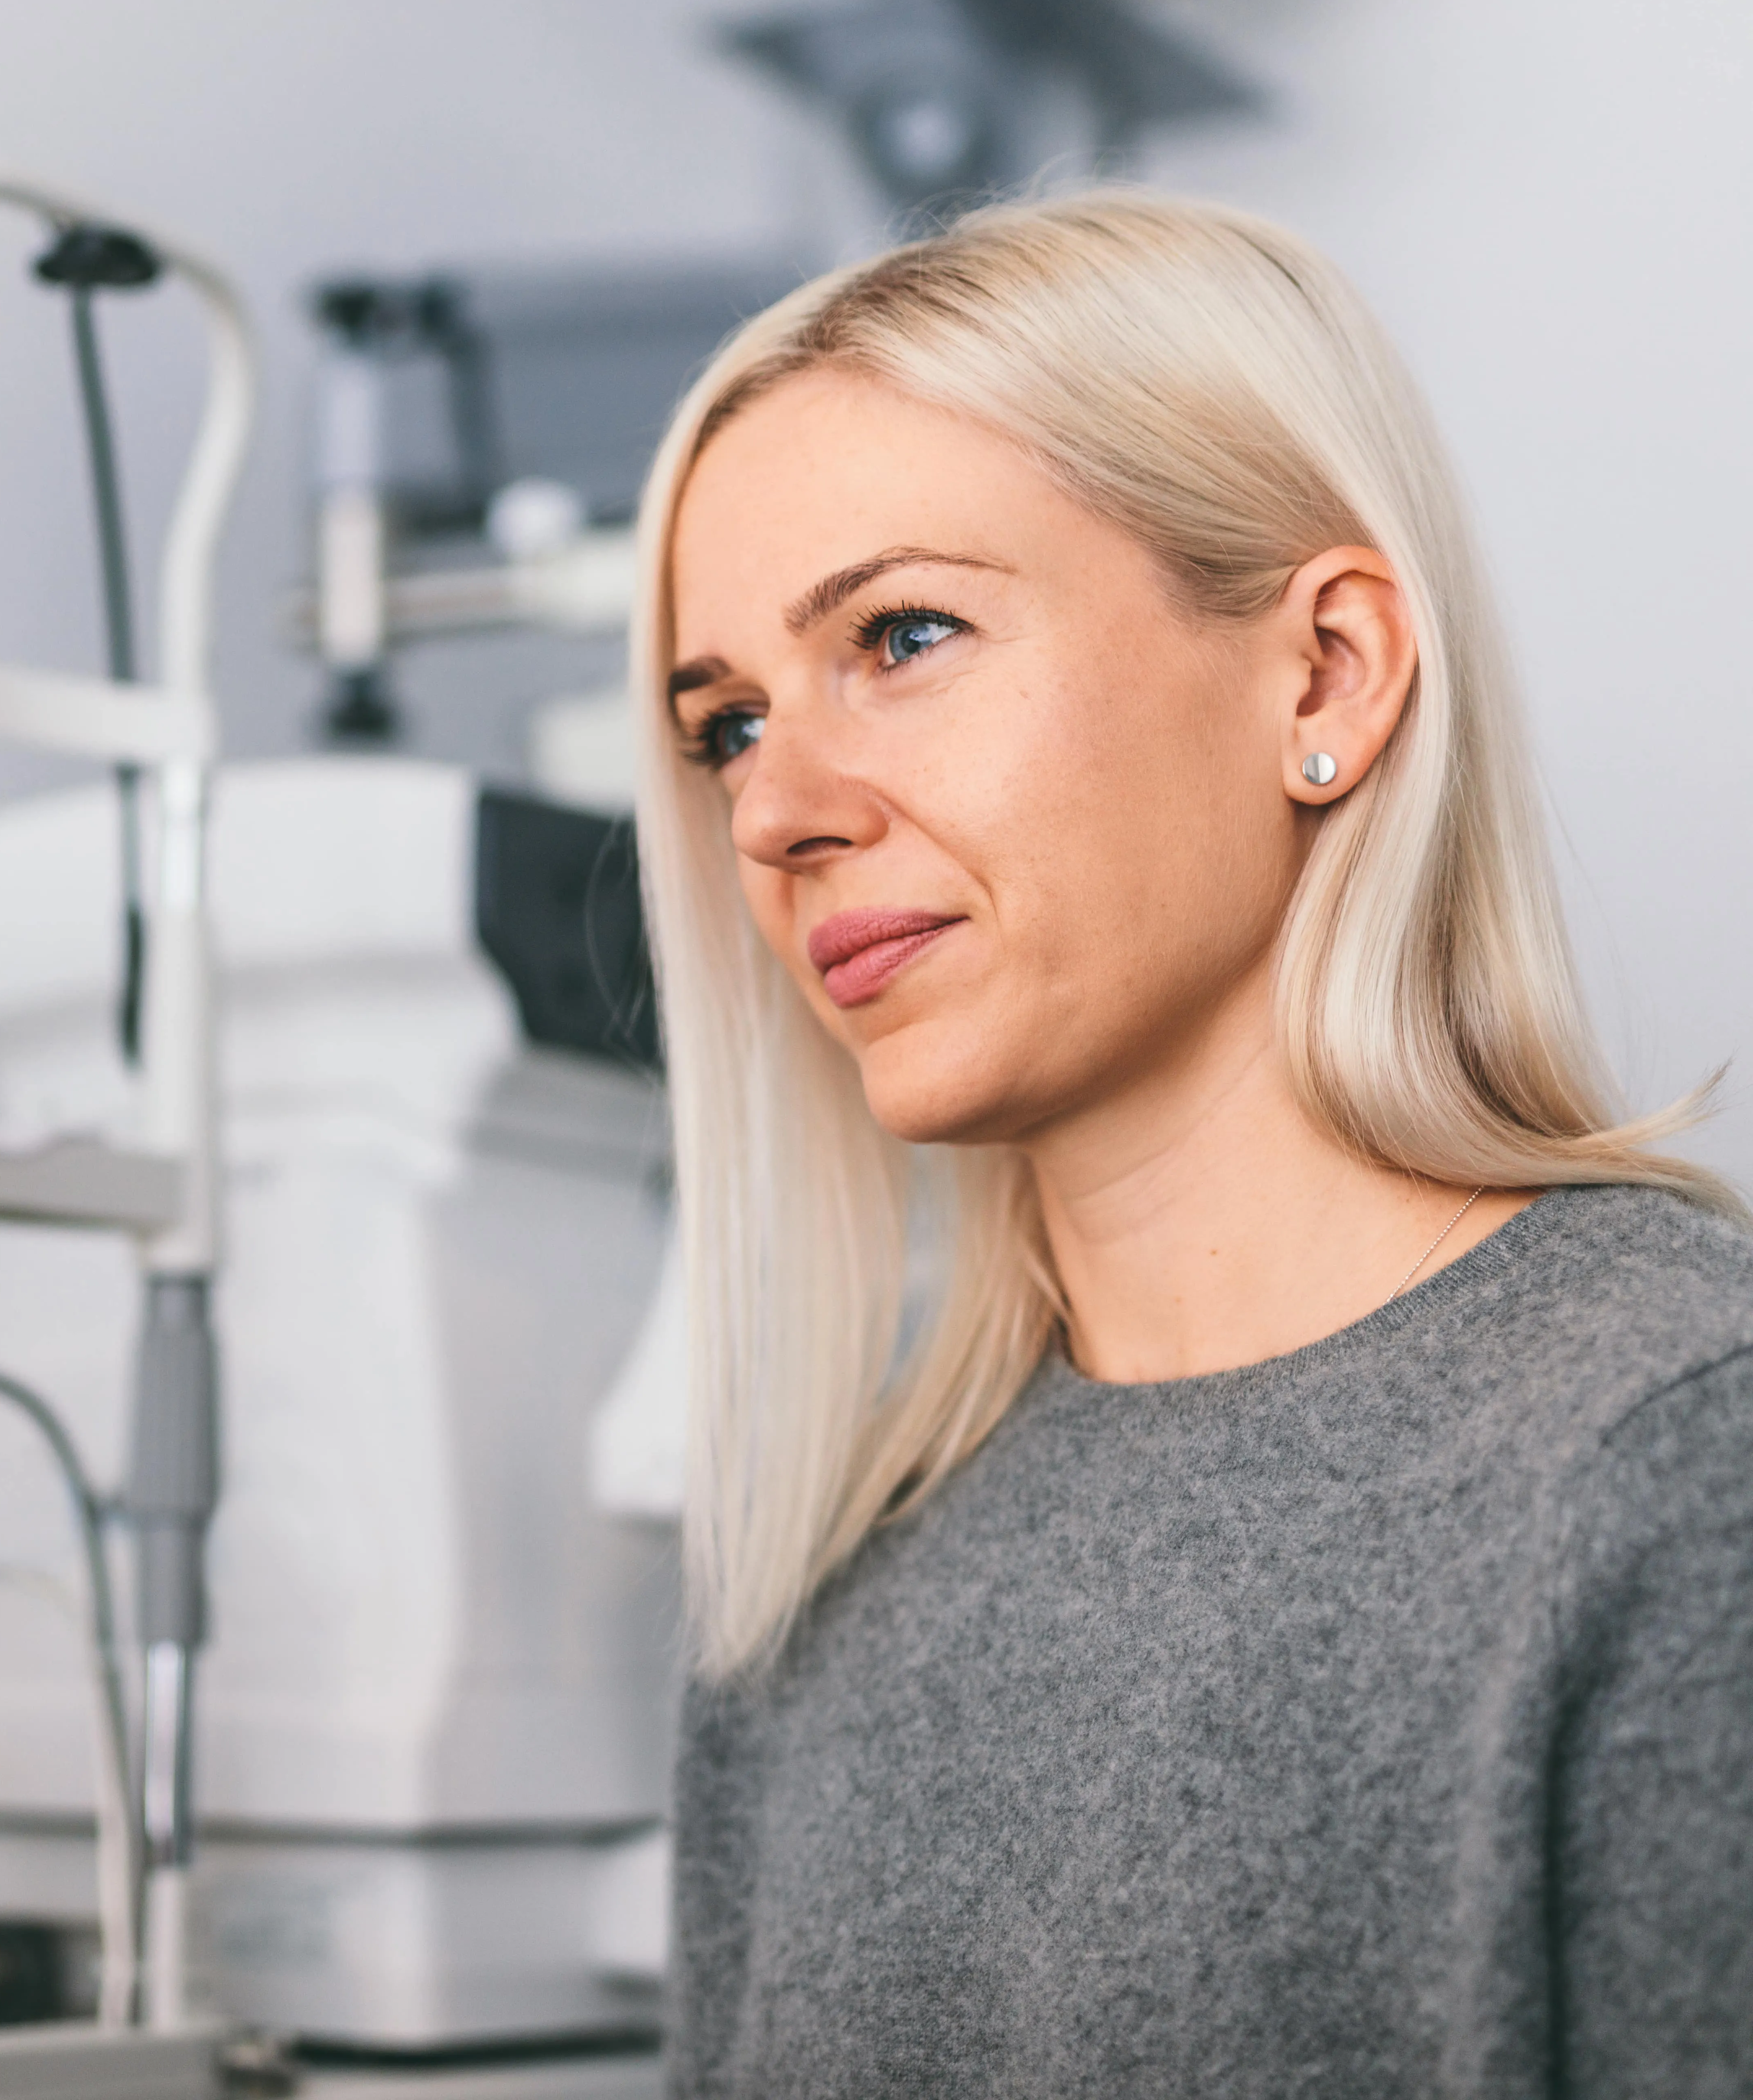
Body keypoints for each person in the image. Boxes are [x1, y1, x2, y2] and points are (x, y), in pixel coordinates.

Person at [635, 190, 1753, 2096]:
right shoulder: (818, 1597)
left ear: (1323, 673)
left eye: (905, 633)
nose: (778, 810)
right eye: (728, 722)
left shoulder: (1677, 1462)